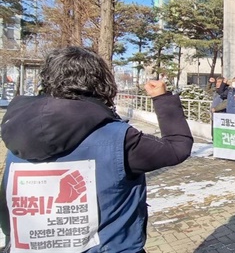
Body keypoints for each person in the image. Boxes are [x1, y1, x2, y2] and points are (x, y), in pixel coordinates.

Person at [0, 46, 193, 252]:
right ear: (101, 82)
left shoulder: (18, 135)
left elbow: (8, 211)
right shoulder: (118, 137)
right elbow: (177, 147)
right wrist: (162, 99)